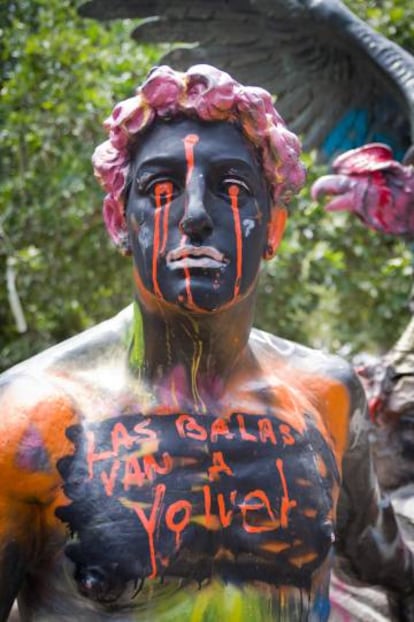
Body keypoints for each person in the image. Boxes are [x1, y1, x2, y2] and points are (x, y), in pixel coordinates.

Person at [0, 64, 413, 622]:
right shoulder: (31, 420)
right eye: (161, 189)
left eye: (234, 189)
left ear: (273, 229)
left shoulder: (326, 399)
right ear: (119, 221)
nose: (194, 216)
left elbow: (387, 562)